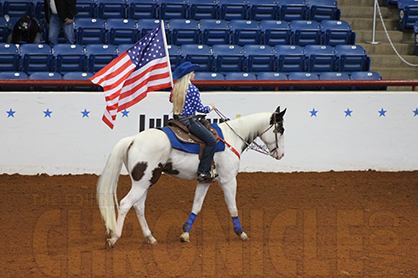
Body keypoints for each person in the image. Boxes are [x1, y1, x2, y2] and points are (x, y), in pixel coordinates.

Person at [170, 62, 217, 182]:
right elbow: (200, 109)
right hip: (189, 120)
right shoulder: (192, 89)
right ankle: (203, 172)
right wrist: (211, 107)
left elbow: (171, 101)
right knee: (211, 141)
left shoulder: (176, 88)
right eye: (193, 73)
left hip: (178, 119)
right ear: (188, 75)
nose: (194, 74)